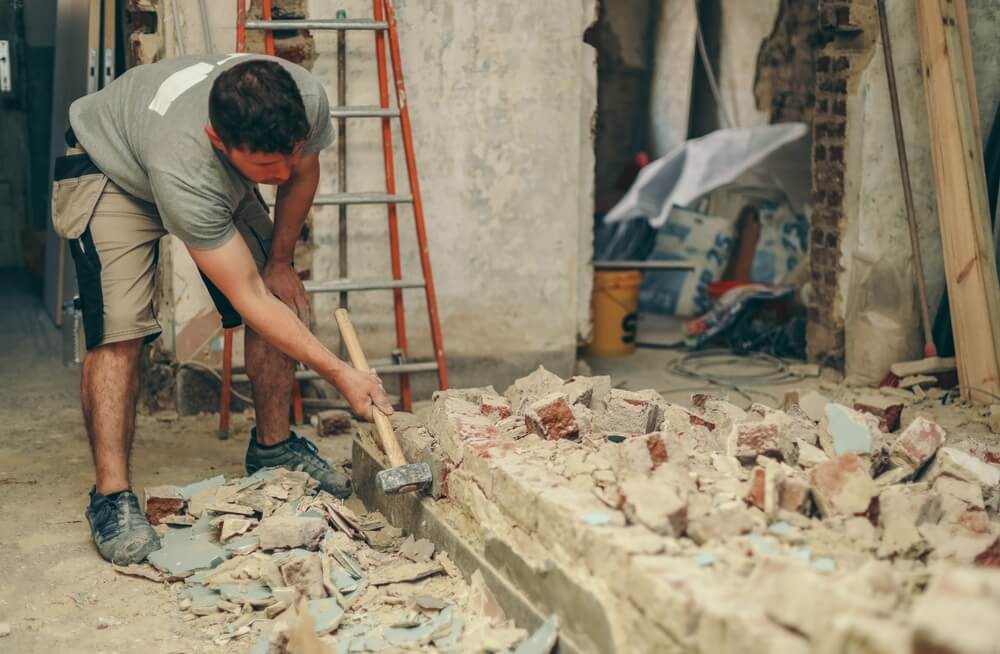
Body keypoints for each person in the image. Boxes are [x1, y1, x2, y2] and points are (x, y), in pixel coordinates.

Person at [53, 54, 393, 565]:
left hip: (193, 160)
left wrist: (280, 259)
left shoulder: (306, 99)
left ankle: (274, 449)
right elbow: (247, 297)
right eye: (264, 168)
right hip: (111, 167)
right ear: (220, 141)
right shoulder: (186, 164)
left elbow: (300, 174)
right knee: (119, 331)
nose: (279, 175)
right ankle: (111, 498)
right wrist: (340, 371)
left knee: (277, 289)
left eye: (288, 155)